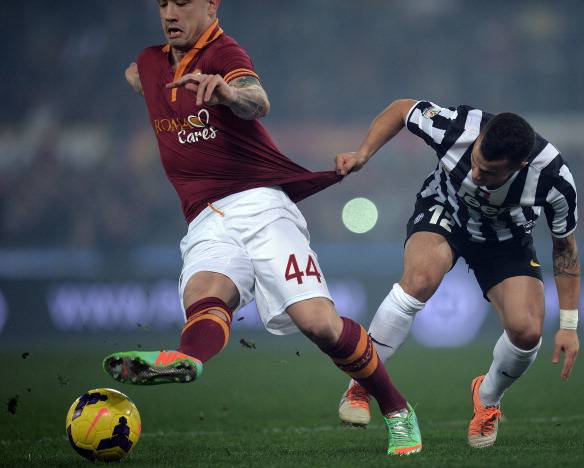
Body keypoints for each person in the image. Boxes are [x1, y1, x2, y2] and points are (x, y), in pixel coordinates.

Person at [102, 0, 421, 456]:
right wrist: (140, 81)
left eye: (183, 2)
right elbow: (137, 75)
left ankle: (397, 409)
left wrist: (229, 95)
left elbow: (257, 99)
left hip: (261, 205)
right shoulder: (152, 63)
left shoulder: (223, 53)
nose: (170, 13)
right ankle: (186, 359)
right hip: (205, 217)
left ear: (211, 5)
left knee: (319, 324)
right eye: (163, 3)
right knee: (204, 294)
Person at [335, 99, 580, 448]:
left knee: (527, 331)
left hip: (506, 238)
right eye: (476, 161)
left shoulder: (554, 179)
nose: (476, 175)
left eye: (489, 172)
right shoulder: (457, 128)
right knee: (420, 279)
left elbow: (565, 248)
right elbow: (402, 109)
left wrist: (568, 325)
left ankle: (488, 398)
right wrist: (363, 153)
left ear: (520, 166)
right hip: (446, 210)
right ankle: (361, 383)